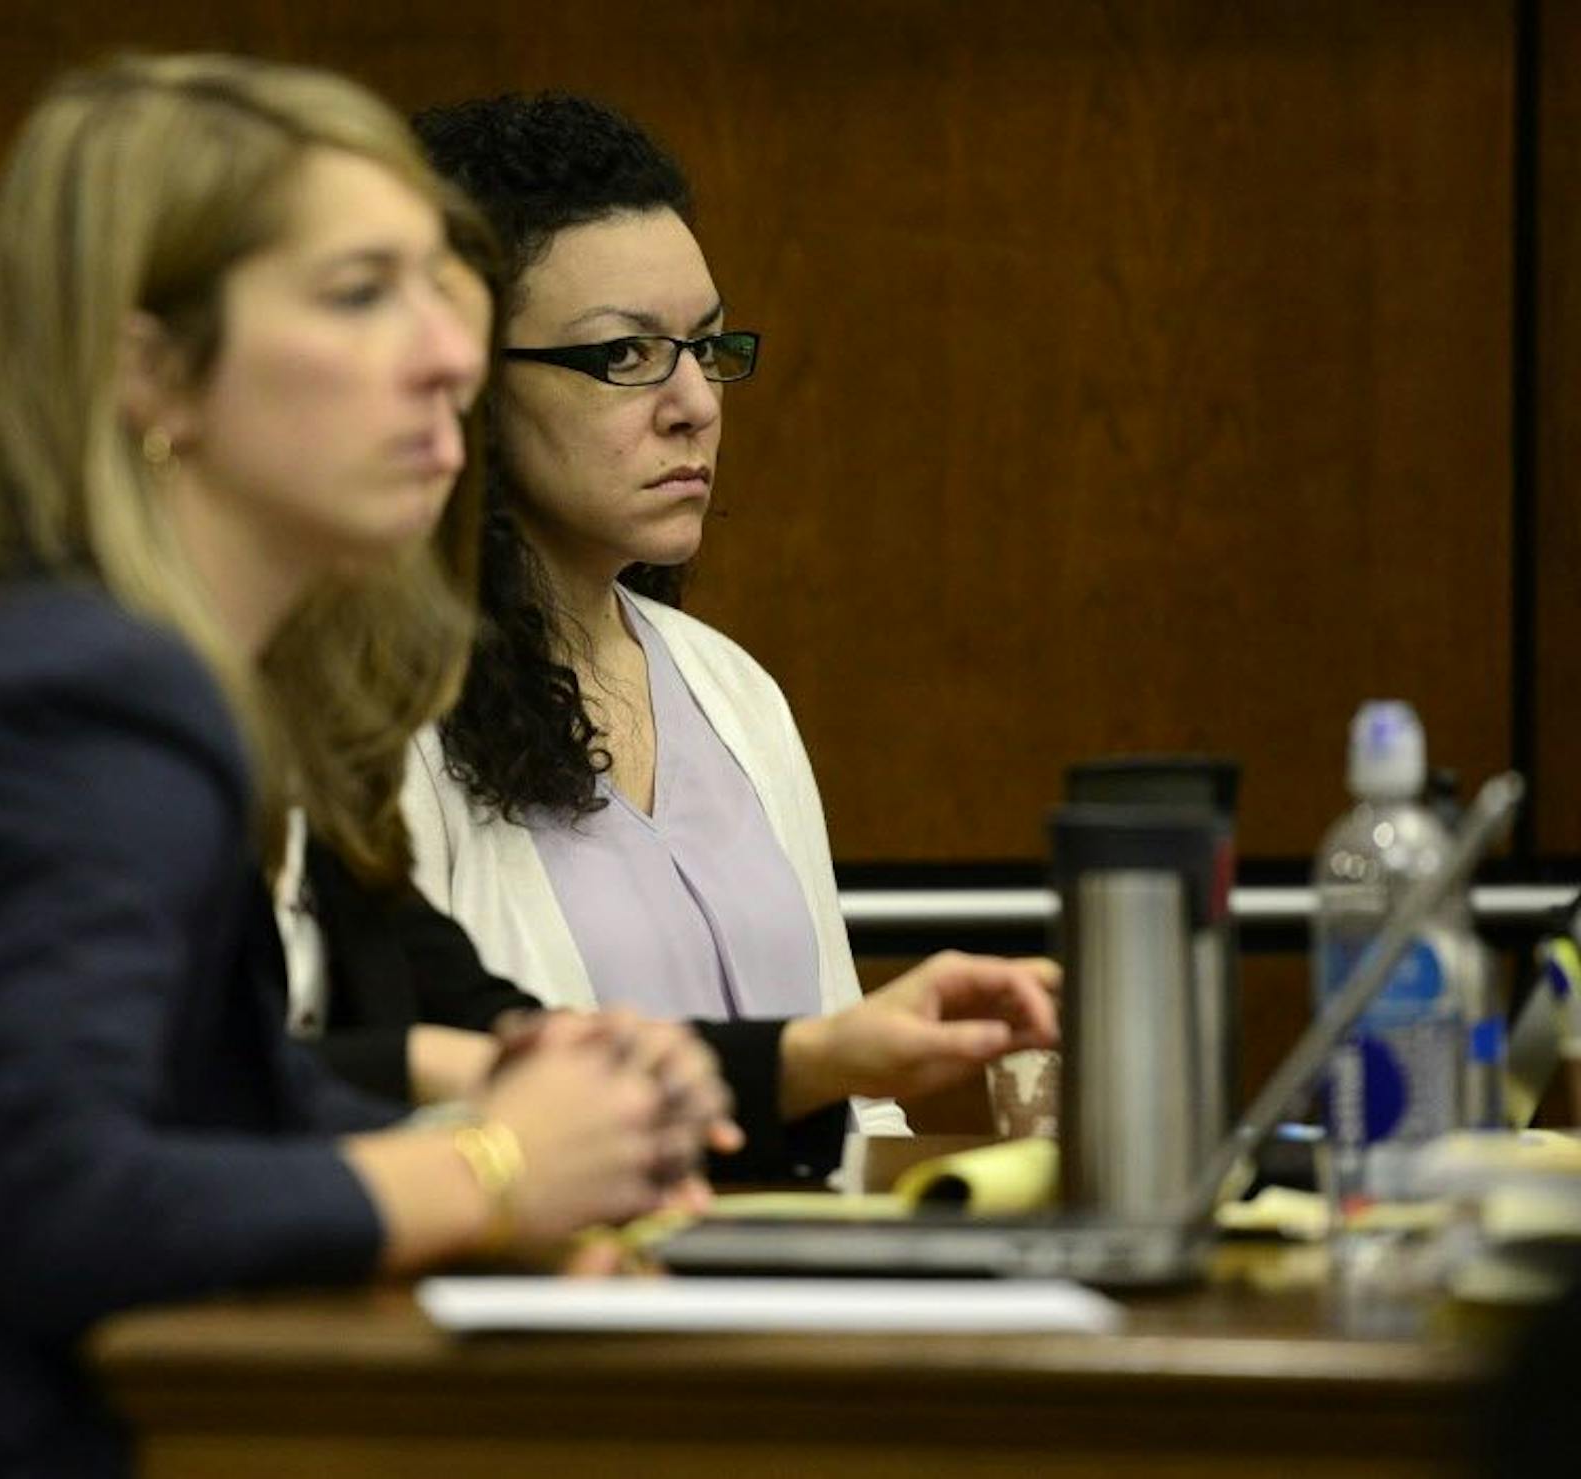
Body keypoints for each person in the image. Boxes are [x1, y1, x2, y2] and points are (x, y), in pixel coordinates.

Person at [0, 56, 733, 1479]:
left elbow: (212, 1113)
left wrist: (521, 1148)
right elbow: (67, 1206)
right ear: (148, 369)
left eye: (439, 287)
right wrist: (494, 1168)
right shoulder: (78, 700)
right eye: (359, 294)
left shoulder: (81, 657)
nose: (448, 357)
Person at [311, 92, 1056, 1177]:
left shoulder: (730, 689)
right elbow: (419, 1102)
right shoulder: (370, 712)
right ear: (463, 384)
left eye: (708, 348)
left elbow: (857, 1119)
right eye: (625, 357)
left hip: (785, 1312)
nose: (696, 402)